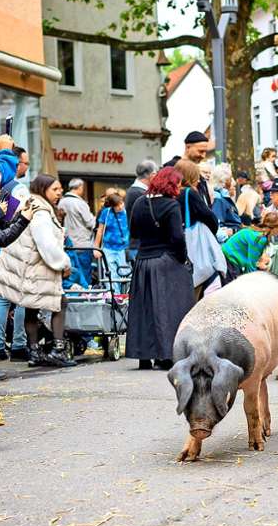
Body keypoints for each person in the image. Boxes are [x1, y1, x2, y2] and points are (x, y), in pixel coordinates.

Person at [0, 175, 74, 368]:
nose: (59, 193)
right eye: (55, 189)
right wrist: (63, 263)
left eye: (60, 189)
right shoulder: (41, 211)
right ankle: (57, 350)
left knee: (31, 308)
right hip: (38, 266)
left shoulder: (32, 205)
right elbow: (46, 244)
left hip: (29, 266)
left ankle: (34, 351)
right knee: (59, 303)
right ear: (43, 189)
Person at [127, 167, 194, 371]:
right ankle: (166, 355)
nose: (179, 189)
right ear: (170, 185)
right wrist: (183, 259)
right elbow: (177, 238)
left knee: (144, 310)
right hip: (165, 262)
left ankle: (144, 355)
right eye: (178, 184)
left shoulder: (139, 203)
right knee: (169, 309)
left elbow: (134, 232)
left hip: (143, 262)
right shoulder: (171, 205)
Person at [174, 158, 219, 294]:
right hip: (192, 245)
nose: (199, 180)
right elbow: (210, 218)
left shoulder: (171, 193)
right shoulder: (189, 193)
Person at [57, 178, 96, 287]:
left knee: (72, 275)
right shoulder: (80, 203)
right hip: (82, 244)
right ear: (80, 188)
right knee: (85, 275)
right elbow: (91, 223)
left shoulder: (61, 202)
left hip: (67, 244)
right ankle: (86, 295)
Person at [222, 211, 278, 278]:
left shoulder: (256, 231)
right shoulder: (260, 239)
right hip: (230, 262)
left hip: (228, 259)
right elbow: (251, 267)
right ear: (275, 228)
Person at [92, 191, 130, 287]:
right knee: (111, 274)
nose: (120, 207)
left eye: (121, 203)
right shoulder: (106, 212)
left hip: (123, 248)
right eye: (117, 205)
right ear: (112, 206)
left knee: (125, 273)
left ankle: (124, 294)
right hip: (108, 248)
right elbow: (100, 230)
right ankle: (114, 294)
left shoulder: (127, 212)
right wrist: (96, 248)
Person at [209, 164, 241, 237]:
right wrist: (230, 232)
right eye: (230, 178)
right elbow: (217, 225)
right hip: (229, 240)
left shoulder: (223, 197)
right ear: (223, 181)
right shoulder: (218, 199)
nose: (234, 182)